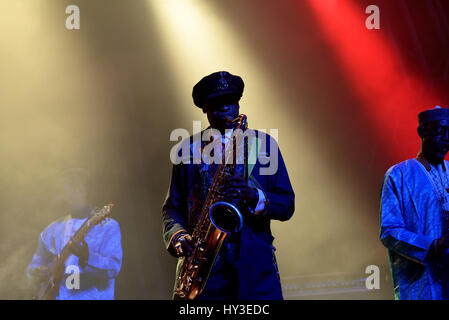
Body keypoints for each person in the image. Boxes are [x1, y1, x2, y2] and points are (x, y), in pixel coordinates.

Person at [162, 71, 295, 300]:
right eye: (216, 103)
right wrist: (179, 237)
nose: (224, 109)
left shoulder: (265, 145)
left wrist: (255, 197)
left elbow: (287, 204)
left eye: (230, 102)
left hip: (254, 269)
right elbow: (172, 208)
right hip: (206, 271)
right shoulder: (187, 150)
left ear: (238, 103)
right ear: (204, 108)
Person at [380, 106, 449, 299]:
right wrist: (432, 245)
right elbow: (389, 231)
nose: (446, 138)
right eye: (439, 131)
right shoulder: (399, 175)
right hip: (419, 286)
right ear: (421, 132)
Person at [27, 168, 123, 300]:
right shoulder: (51, 230)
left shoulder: (107, 227)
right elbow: (33, 266)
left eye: (65, 189)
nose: (61, 195)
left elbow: (113, 267)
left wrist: (88, 257)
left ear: (81, 190)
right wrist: (38, 271)